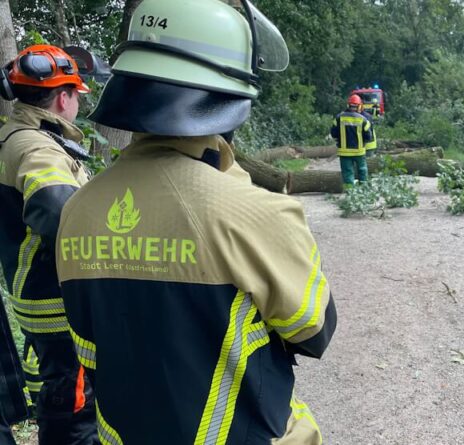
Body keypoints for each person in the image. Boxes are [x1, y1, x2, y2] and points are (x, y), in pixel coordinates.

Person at [55, 0, 336, 443]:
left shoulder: (77, 210)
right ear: (229, 97)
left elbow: (93, 347)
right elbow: (313, 330)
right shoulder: (252, 211)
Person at [0, 44, 97, 444]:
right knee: (73, 409)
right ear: (64, 97)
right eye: (77, 94)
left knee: (63, 397)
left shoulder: (18, 136)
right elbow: (57, 209)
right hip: (57, 302)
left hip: (39, 295)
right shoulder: (36, 147)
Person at [331, 94, 372, 185]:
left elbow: (333, 133)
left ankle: (350, 192)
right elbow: (368, 137)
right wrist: (364, 143)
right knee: (362, 170)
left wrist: (339, 140)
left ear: (348, 105)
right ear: (359, 106)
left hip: (344, 152)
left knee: (347, 172)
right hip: (359, 151)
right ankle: (363, 189)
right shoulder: (363, 120)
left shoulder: (339, 118)